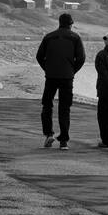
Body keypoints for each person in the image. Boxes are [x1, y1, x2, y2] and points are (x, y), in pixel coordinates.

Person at [36, 12, 85, 150]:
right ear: (71, 24)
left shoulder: (49, 37)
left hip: (51, 77)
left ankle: (48, 134)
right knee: (64, 108)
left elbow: (39, 56)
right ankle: (63, 141)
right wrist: (71, 71)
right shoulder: (75, 38)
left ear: (59, 22)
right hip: (67, 78)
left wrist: (47, 68)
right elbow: (81, 58)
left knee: (47, 105)